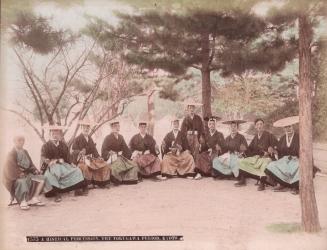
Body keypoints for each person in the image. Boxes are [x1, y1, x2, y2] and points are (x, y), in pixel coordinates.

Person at [2, 135, 52, 210]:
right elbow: (10, 167)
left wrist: (34, 170)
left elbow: (30, 163)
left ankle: (34, 198)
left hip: (27, 173)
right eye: (19, 141)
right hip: (15, 176)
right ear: (14, 142)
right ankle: (23, 201)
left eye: (23, 141)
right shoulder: (11, 153)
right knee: (21, 181)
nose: (21, 142)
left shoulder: (25, 151)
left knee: (42, 178)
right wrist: (19, 173)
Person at [41, 125, 88, 202]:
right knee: (52, 175)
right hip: (52, 165)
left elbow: (67, 156)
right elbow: (43, 156)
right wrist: (47, 160)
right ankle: (57, 193)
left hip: (63, 165)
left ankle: (77, 190)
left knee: (77, 171)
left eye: (57, 133)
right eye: (53, 133)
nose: (55, 135)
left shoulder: (63, 145)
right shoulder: (45, 146)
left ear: (59, 134)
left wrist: (71, 163)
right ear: (50, 134)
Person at [235, 118, 278, 191]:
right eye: (257, 124)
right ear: (255, 126)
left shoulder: (269, 135)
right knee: (241, 161)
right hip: (257, 157)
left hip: (267, 157)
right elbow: (250, 149)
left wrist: (271, 150)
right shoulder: (255, 137)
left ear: (263, 125)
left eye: (261, 124)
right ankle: (243, 179)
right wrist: (243, 153)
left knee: (264, 163)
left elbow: (276, 145)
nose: (259, 126)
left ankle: (262, 182)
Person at [265, 116, 300, 194]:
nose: (288, 128)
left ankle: (295, 187)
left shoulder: (299, 137)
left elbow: (303, 150)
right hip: (285, 159)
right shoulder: (282, 138)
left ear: (292, 127)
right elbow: (279, 150)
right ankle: (282, 183)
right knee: (271, 165)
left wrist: (298, 157)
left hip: (296, 159)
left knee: (299, 167)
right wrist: (273, 151)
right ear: (284, 129)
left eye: (289, 126)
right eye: (286, 127)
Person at [72, 119, 110, 188]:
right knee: (86, 167)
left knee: (104, 164)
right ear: (81, 128)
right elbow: (74, 150)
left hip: (91, 159)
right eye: (84, 128)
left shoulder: (90, 138)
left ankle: (102, 182)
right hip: (82, 160)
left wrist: (98, 156)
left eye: (87, 128)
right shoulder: (77, 139)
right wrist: (80, 152)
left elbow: (94, 150)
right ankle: (87, 184)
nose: (86, 129)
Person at [101, 120, 139, 185]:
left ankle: (126, 179)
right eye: (114, 126)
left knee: (134, 165)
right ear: (111, 128)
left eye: (117, 126)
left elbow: (126, 148)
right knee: (115, 167)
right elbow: (103, 150)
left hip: (121, 157)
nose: (116, 128)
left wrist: (132, 155)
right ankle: (116, 179)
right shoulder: (107, 138)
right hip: (112, 159)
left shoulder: (121, 137)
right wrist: (109, 153)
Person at [180, 98, 205, 163]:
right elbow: (182, 131)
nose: (191, 109)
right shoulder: (185, 119)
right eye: (190, 108)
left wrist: (201, 138)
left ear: (195, 109)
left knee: (197, 147)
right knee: (188, 150)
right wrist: (188, 133)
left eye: (193, 108)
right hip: (188, 138)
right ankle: (189, 166)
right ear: (188, 109)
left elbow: (202, 129)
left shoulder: (198, 118)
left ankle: (196, 166)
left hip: (196, 137)